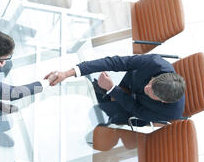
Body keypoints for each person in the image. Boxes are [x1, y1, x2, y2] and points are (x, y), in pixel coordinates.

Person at [45, 54, 186, 126]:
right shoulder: (155, 64)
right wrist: (67, 73)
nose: (146, 87)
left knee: (87, 116)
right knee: (82, 87)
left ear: (163, 101)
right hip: (125, 86)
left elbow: (137, 110)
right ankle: (43, 93)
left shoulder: (170, 112)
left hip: (128, 110)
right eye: (151, 82)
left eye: (151, 92)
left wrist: (112, 89)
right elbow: (115, 62)